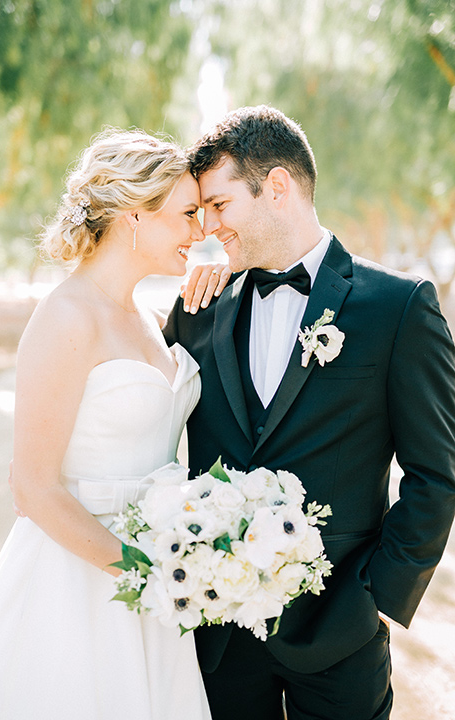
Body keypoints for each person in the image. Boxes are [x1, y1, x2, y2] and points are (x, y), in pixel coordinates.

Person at [163, 104, 455, 720]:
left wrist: (377, 595)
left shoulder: (398, 307)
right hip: (221, 638)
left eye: (219, 205)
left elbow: (437, 470)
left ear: (276, 187)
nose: (209, 229)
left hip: (340, 635)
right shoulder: (198, 308)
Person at [0, 128, 223, 720]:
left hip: (160, 579)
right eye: (188, 214)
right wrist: (143, 574)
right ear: (135, 212)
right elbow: (33, 487)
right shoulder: (64, 316)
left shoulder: (154, 315)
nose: (201, 230)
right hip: (78, 582)